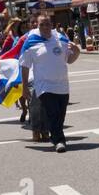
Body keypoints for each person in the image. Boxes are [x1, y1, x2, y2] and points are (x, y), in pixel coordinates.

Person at [19, 14, 79, 152]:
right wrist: (24, 88)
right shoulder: (31, 42)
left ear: (51, 25)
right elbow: (24, 65)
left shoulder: (61, 39)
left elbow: (69, 60)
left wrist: (77, 52)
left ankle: (55, 136)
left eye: (47, 24)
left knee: (60, 114)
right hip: (44, 86)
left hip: (62, 85)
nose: (45, 27)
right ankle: (59, 140)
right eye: (42, 25)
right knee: (52, 113)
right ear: (37, 26)